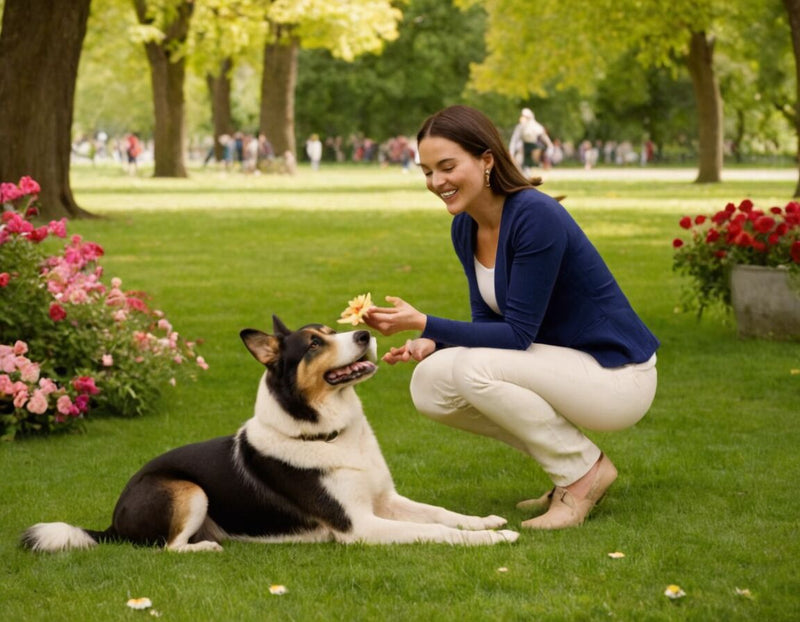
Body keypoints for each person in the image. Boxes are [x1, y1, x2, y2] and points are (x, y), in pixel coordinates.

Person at [364, 105, 659, 530]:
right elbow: (488, 323)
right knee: (430, 384)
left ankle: (583, 477)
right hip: (562, 366)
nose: (436, 182)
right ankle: (568, 470)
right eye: (426, 171)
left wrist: (424, 323)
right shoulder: (466, 227)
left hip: (618, 375)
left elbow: (517, 335)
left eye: (447, 167)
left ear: (487, 160)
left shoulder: (534, 216)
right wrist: (435, 343)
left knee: (474, 367)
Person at [508, 108, 554, 176]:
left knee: (528, 165)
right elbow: (514, 140)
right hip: (523, 148)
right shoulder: (519, 127)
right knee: (518, 162)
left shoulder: (537, 127)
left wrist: (549, 149)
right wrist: (511, 152)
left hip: (533, 148)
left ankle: (527, 175)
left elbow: (546, 139)